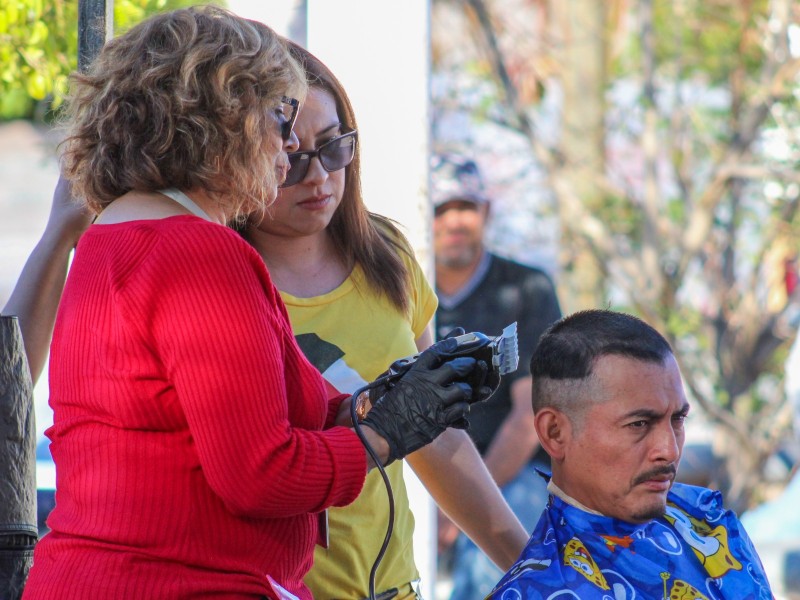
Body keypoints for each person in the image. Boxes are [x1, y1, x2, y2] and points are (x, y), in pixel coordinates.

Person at [6, 28, 522, 600]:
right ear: (222, 121)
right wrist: (384, 433)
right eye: (281, 122)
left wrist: (382, 401)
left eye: (326, 144)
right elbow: (259, 476)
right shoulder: (202, 251)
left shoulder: (112, 233)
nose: (288, 153)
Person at [240, 43, 528, 599]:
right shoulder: (215, 279)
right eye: (295, 155)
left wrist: (530, 567)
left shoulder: (387, 252)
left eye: (334, 148)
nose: (318, 176)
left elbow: (434, 435)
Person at [489, 309, 774, 599]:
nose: (670, 450)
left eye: (677, 420)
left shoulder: (710, 526)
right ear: (555, 432)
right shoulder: (533, 590)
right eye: (639, 424)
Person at [431, 154, 562, 599]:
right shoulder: (400, 287)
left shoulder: (527, 288)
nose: (454, 221)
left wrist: (457, 506)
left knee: (496, 570)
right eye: (439, 209)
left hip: (508, 469)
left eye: (465, 206)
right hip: (416, 465)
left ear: (486, 212)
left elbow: (530, 417)